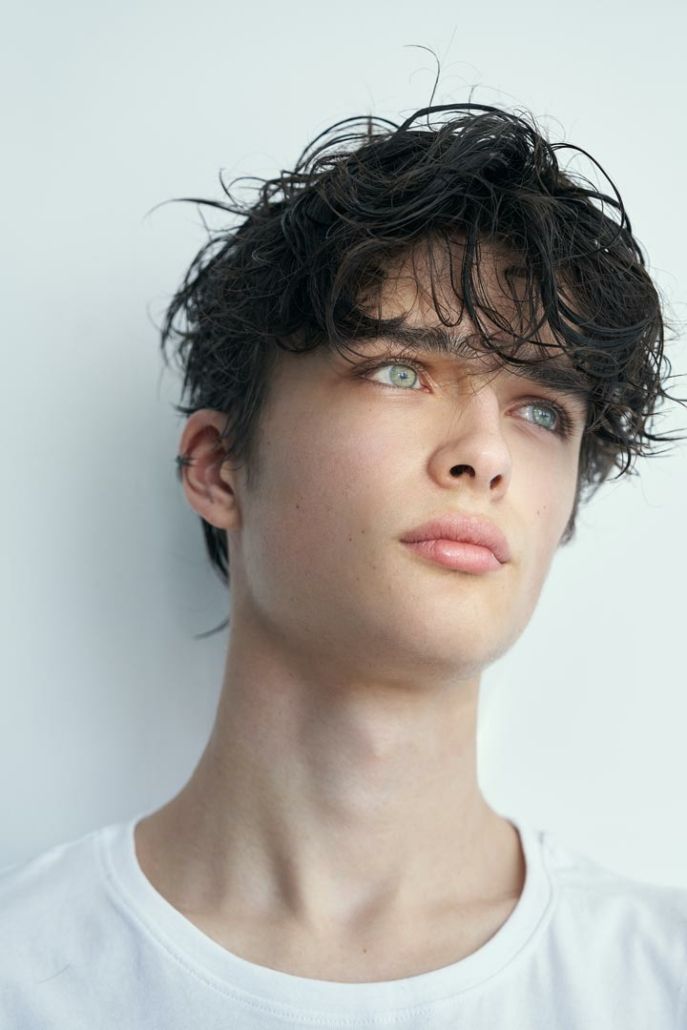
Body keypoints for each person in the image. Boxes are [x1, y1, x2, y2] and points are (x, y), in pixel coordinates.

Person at [1, 101, 686, 1029]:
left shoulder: (655, 984)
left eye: (540, 412)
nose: (484, 452)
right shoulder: (28, 972)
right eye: (402, 370)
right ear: (218, 466)